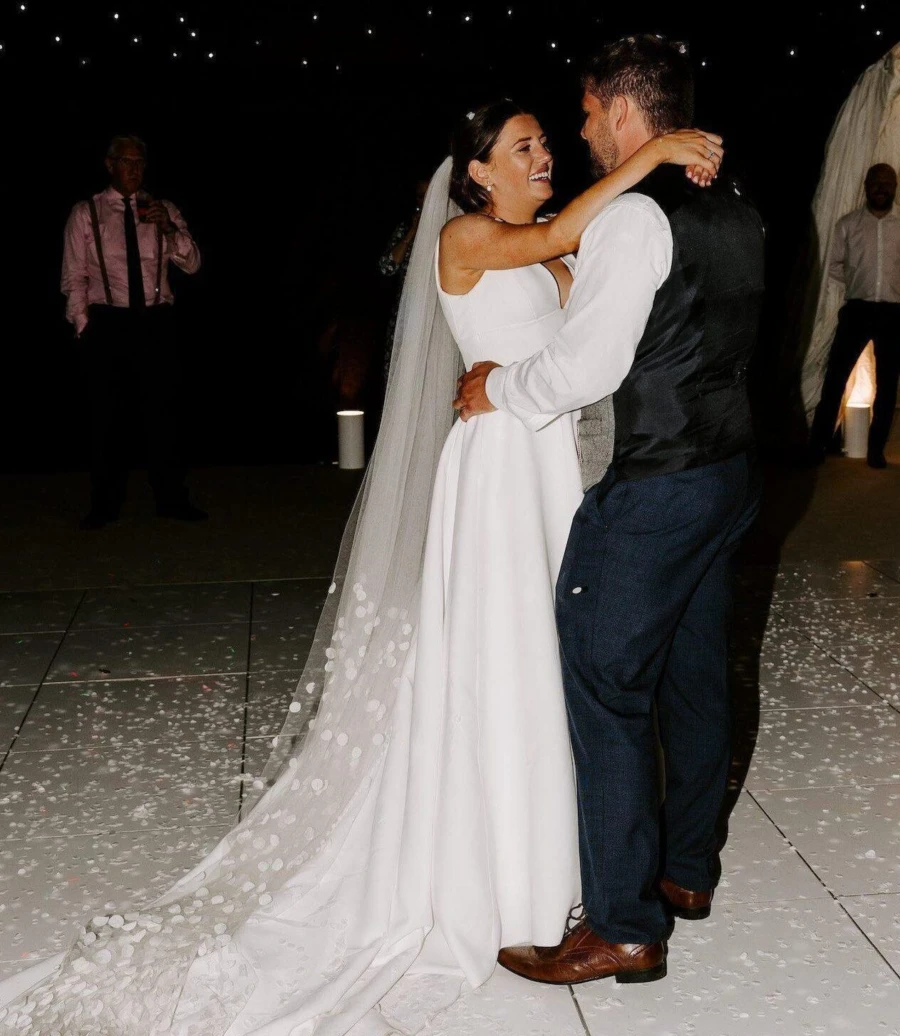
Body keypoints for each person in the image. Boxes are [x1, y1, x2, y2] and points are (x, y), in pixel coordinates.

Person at [0, 105, 720, 1032]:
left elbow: (592, 322)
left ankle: (570, 863)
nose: (544, 157)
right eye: (525, 148)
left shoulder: (547, 252)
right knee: (505, 660)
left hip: (551, 470)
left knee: (560, 659)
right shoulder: (470, 238)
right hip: (497, 472)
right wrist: (655, 151)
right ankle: (503, 873)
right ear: (475, 174)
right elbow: (559, 230)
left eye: (546, 142)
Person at [456, 35, 764, 985]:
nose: (582, 131)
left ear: (626, 112)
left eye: (588, 113)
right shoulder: (736, 205)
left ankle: (624, 924)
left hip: (659, 484)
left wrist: (497, 392)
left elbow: (586, 365)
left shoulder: (634, 219)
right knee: (694, 673)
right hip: (729, 472)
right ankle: (686, 876)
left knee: (603, 677)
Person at [62, 135, 206, 529]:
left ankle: (172, 500)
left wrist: (170, 230)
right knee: (107, 418)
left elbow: (193, 264)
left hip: (156, 320)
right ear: (109, 165)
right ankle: (104, 505)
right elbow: (74, 276)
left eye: (140, 162)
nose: (135, 169)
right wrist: (84, 326)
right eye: (127, 162)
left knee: (164, 413)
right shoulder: (86, 213)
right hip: (108, 321)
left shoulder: (164, 209)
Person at [805, 163, 900, 468]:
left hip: (894, 313)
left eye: (887, 182)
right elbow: (833, 265)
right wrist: (857, 282)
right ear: (866, 185)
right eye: (876, 182)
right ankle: (816, 447)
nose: (881, 187)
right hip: (857, 310)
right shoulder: (848, 224)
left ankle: (876, 451)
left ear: (895, 187)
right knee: (835, 380)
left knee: (888, 384)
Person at [378, 177, 431, 379]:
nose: (425, 201)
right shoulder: (405, 228)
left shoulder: (451, 229)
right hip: (406, 318)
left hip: (436, 317)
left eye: (429, 195)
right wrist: (412, 232)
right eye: (420, 196)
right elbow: (386, 267)